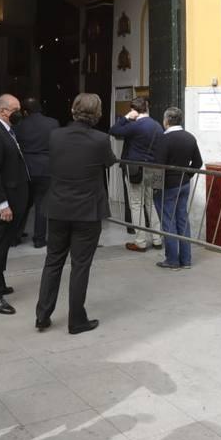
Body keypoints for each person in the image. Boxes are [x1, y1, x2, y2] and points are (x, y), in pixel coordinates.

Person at [35, 93, 117, 334]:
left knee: (53, 261)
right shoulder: (101, 139)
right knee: (80, 265)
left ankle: (42, 315)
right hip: (87, 211)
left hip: (58, 207)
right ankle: (76, 320)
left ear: (73, 110)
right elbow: (110, 162)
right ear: (98, 114)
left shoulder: (55, 135)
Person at [0, 94, 29, 314]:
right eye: (16, 109)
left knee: (4, 246)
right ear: (4, 111)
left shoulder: (7, 131)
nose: (20, 113)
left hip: (14, 199)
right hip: (5, 203)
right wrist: (3, 204)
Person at [150, 107, 204, 270]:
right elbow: (198, 163)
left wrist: (155, 187)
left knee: (168, 222)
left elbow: (158, 166)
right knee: (182, 220)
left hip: (168, 186)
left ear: (166, 120)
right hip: (184, 184)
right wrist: (186, 176)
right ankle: (186, 260)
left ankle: (172, 260)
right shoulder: (189, 137)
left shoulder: (163, 139)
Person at [110, 97, 164, 252]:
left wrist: (126, 117)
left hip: (135, 169)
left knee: (136, 204)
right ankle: (157, 239)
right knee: (151, 203)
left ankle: (140, 241)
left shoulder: (135, 126)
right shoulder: (157, 125)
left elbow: (113, 130)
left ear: (134, 110)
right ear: (147, 108)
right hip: (153, 168)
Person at [16, 97, 59, 248]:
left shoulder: (19, 125)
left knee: (22, 203)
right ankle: (39, 239)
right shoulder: (53, 124)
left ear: (25, 111)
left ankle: (15, 237)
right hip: (46, 168)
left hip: (25, 168)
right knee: (41, 204)